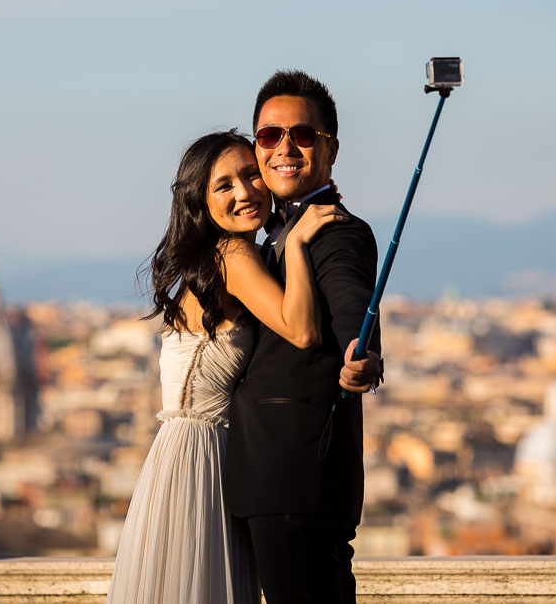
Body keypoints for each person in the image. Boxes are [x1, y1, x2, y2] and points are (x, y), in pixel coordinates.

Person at [106, 130, 368, 603]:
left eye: (251, 175)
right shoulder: (232, 253)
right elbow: (303, 330)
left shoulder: (213, 261)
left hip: (183, 452)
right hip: (204, 453)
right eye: (224, 185)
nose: (245, 192)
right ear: (200, 202)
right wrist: (301, 240)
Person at [226, 70, 381, 604]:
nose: (284, 148)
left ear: (331, 149)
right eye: (269, 136)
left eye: (303, 135)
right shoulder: (269, 236)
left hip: (292, 478)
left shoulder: (336, 230)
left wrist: (361, 355)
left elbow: (351, 304)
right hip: (288, 481)